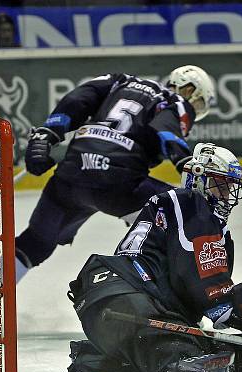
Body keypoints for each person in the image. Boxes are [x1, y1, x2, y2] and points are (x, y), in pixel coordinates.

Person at [53, 142, 242, 372]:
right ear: (197, 180)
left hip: (115, 298)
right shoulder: (189, 202)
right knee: (184, 355)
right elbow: (199, 278)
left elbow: (187, 284)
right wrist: (233, 317)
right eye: (218, 186)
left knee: (195, 349)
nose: (225, 196)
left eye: (229, 188)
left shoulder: (198, 219)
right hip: (124, 296)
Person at [15, 65, 215, 283]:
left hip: (70, 177)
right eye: (199, 102)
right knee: (189, 215)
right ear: (188, 89)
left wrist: (48, 133)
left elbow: (77, 99)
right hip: (119, 185)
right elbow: (166, 130)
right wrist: (186, 165)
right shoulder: (174, 101)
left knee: (35, 243)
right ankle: (197, 299)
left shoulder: (118, 80)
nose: (195, 108)